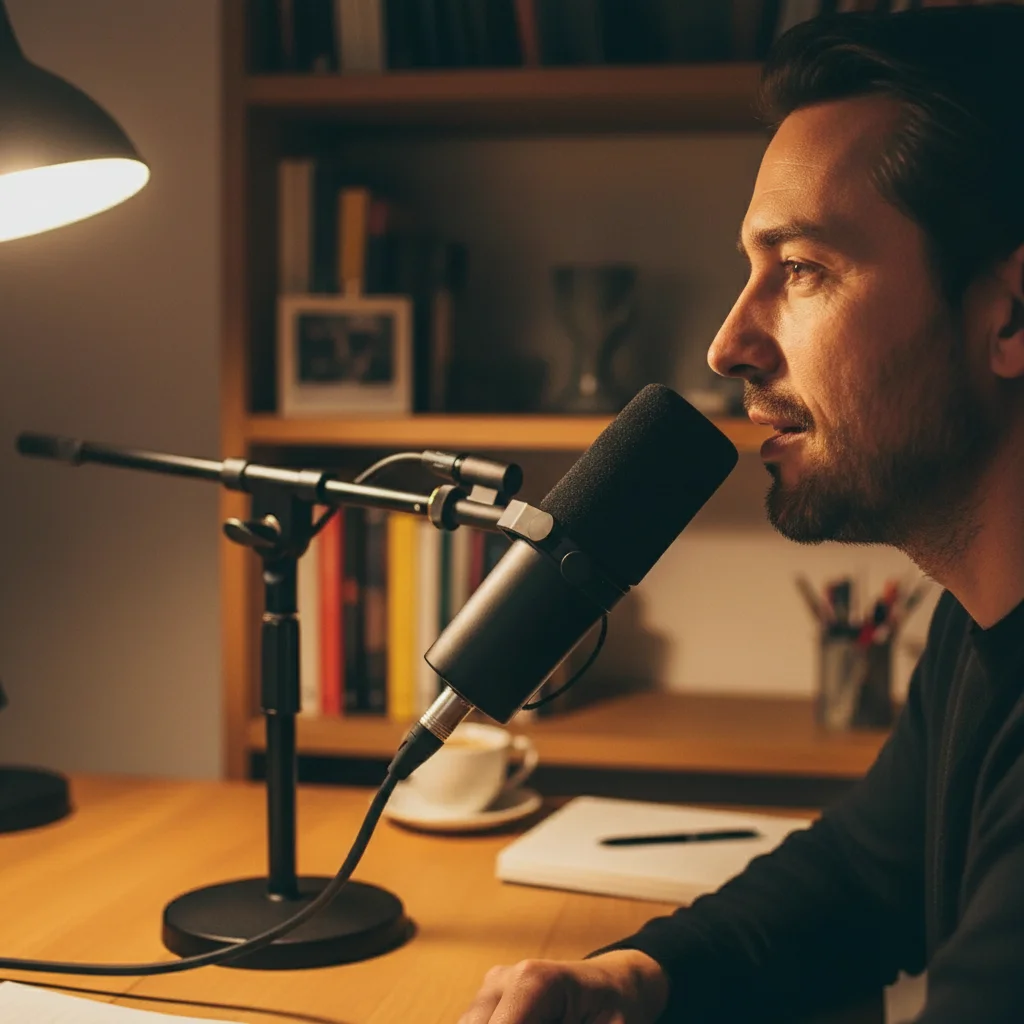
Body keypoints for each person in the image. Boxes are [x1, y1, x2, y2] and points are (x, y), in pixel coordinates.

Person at [458, 6, 1024, 1023]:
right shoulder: (978, 626)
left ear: (1011, 316)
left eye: (799, 268)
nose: (728, 345)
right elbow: (860, 875)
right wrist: (628, 976)